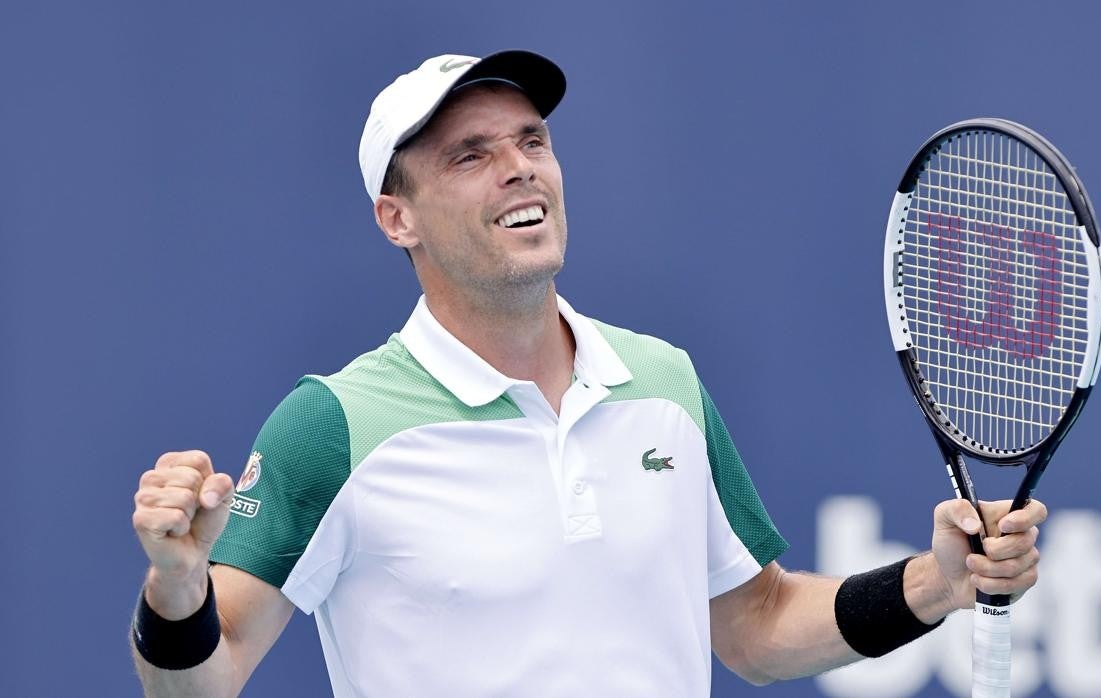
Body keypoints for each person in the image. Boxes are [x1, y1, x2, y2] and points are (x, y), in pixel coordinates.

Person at [129, 50, 1046, 697]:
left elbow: (757, 627)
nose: (520, 171)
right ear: (395, 219)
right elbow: (202, 684)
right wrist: (177, 587)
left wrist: (930, 585)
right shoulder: (332, 423)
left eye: (532, 141)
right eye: (471, 155)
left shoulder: (664, 382)